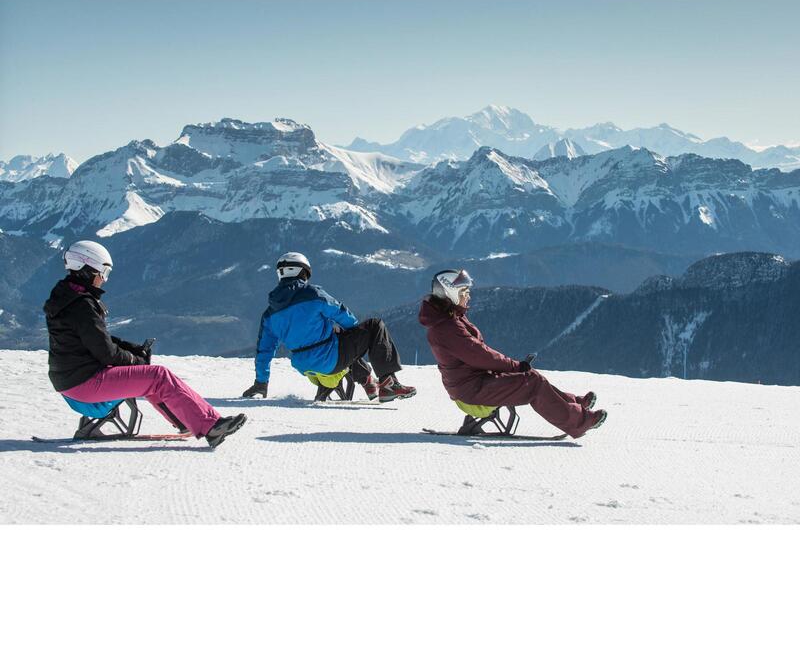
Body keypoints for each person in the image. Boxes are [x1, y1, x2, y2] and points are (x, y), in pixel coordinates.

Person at [43, 240, 246, 448]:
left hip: (70, 382)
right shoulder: (82, 305)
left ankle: (187, 421)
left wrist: (130, 350)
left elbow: (92, 339)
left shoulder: (67, 297)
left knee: (149, 378)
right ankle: (211, 427)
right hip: (84, 385)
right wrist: (134, 359)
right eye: (102, 272)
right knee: (158, 376)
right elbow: (105, 352)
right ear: (86, 269)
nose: (104, 279)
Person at [418, 269, 607, 439]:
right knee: (533, 384)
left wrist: (516, 367)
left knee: (531, 377)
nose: (468, 296)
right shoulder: (447, 327)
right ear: (450, 294)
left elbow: (478, 355)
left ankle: (574, 403)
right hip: (472, 392)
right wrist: (515, 365)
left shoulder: (450, 317)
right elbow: (479, 355)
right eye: (464, 293)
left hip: (475, 383)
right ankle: (579, 423)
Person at [242, 252, 416, 403]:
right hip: (329, 360)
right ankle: (388, 384)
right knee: (373, 326)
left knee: (340, 339)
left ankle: (368, 382)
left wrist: (261, 384)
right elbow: (342, 314)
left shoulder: (270, 313)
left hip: (303, 365)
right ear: (303, 272)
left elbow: (263, 352)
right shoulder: (312, 294)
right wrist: (355, 331)